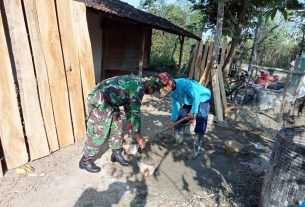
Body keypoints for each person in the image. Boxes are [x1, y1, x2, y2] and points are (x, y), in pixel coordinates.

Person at [79, 73, 172, 173]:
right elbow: (136, 113)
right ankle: (85, 160)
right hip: (100, 97)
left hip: (111, 100)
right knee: (100, 130)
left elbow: (128, 103)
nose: (152, 93)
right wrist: (138, 137)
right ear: (151, 86)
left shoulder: (140, 84)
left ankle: (116, 153)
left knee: (116, 125)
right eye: (153, 90)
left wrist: (129, 120)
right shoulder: (139, 87)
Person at [165, 78, 211, 159]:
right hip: (190, 100)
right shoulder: (172, 91)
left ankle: (195, 151)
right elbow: (175, 106)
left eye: (165, 86)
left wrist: (193, 112)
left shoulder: (184, 84)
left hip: (203, 97)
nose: (164, 89)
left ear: (170, 82)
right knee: (180, 117)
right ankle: (178, 139)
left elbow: (196, 96)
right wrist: (172, 120)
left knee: (201, 121)